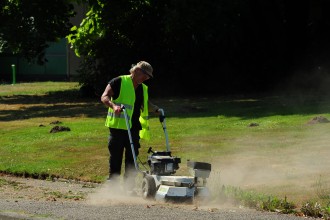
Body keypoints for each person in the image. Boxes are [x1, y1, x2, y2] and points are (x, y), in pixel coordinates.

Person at [101, 61, 160, 192]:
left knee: (132, 158)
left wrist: (157, 109)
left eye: (148, 77)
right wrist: (113, 106)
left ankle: (129, 188)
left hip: (133, 128)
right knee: (116, 157)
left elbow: (146, 104)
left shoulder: (143, 88)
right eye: (145, 75)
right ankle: (113, 187)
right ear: (137, 70)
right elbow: (104, 96)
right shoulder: (119, 81)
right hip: (117, 127)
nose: (146, 78)